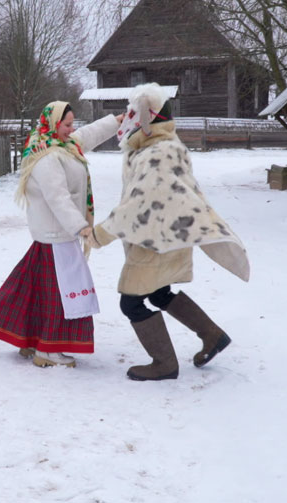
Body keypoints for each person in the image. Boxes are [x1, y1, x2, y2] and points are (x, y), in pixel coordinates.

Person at [87, 82, 250, 381]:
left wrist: (100, 234)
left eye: (132, 112)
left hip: (156, 241)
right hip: (167, 237)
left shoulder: (156, 154)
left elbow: (138, 206)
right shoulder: (162, 146)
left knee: (132, 301)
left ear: (147, 118)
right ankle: (212, 336)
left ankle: (164, 363)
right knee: (160, 292)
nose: (128, 117)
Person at [0, 102, 121, 367]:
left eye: (72, 123)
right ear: (53, 124)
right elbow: (59, 199)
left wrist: (118, 121)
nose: (72, 129)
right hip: (57, 235)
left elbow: (88, 135)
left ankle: (31, 339)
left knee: (37, 291)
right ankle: (49, 351)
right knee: (60, 295)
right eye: (67, 124)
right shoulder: (47, 157)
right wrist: (83, 227)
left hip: (55, 235)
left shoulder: (60, 144)